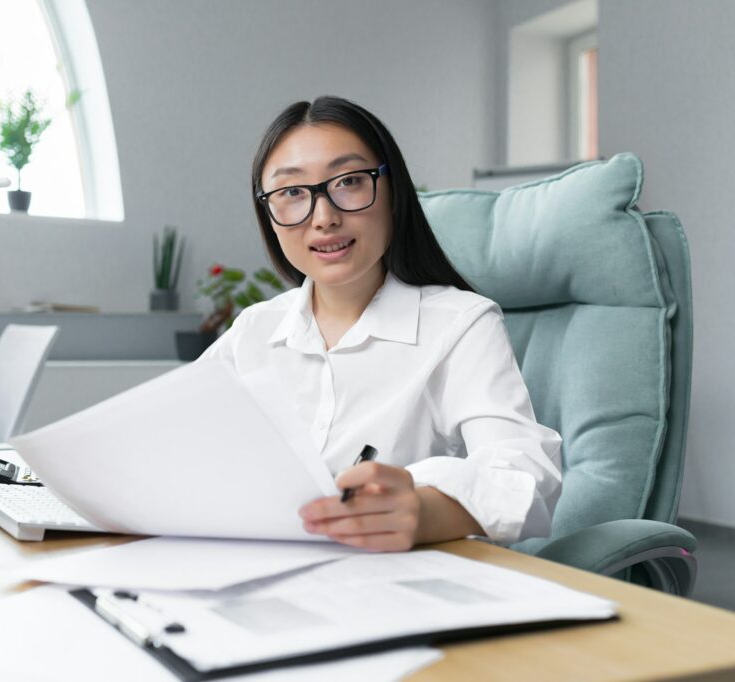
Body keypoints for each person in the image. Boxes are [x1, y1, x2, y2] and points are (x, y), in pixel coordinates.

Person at [201, 96, 562, 551]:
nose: (324, 216)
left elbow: (526, 477)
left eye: (349, 181)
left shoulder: (460, 324)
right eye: (291, 192)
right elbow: (172, 446)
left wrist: (425, 510)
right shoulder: (253, 331)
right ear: (267, 213)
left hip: (392, 586)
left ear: (393, 193)